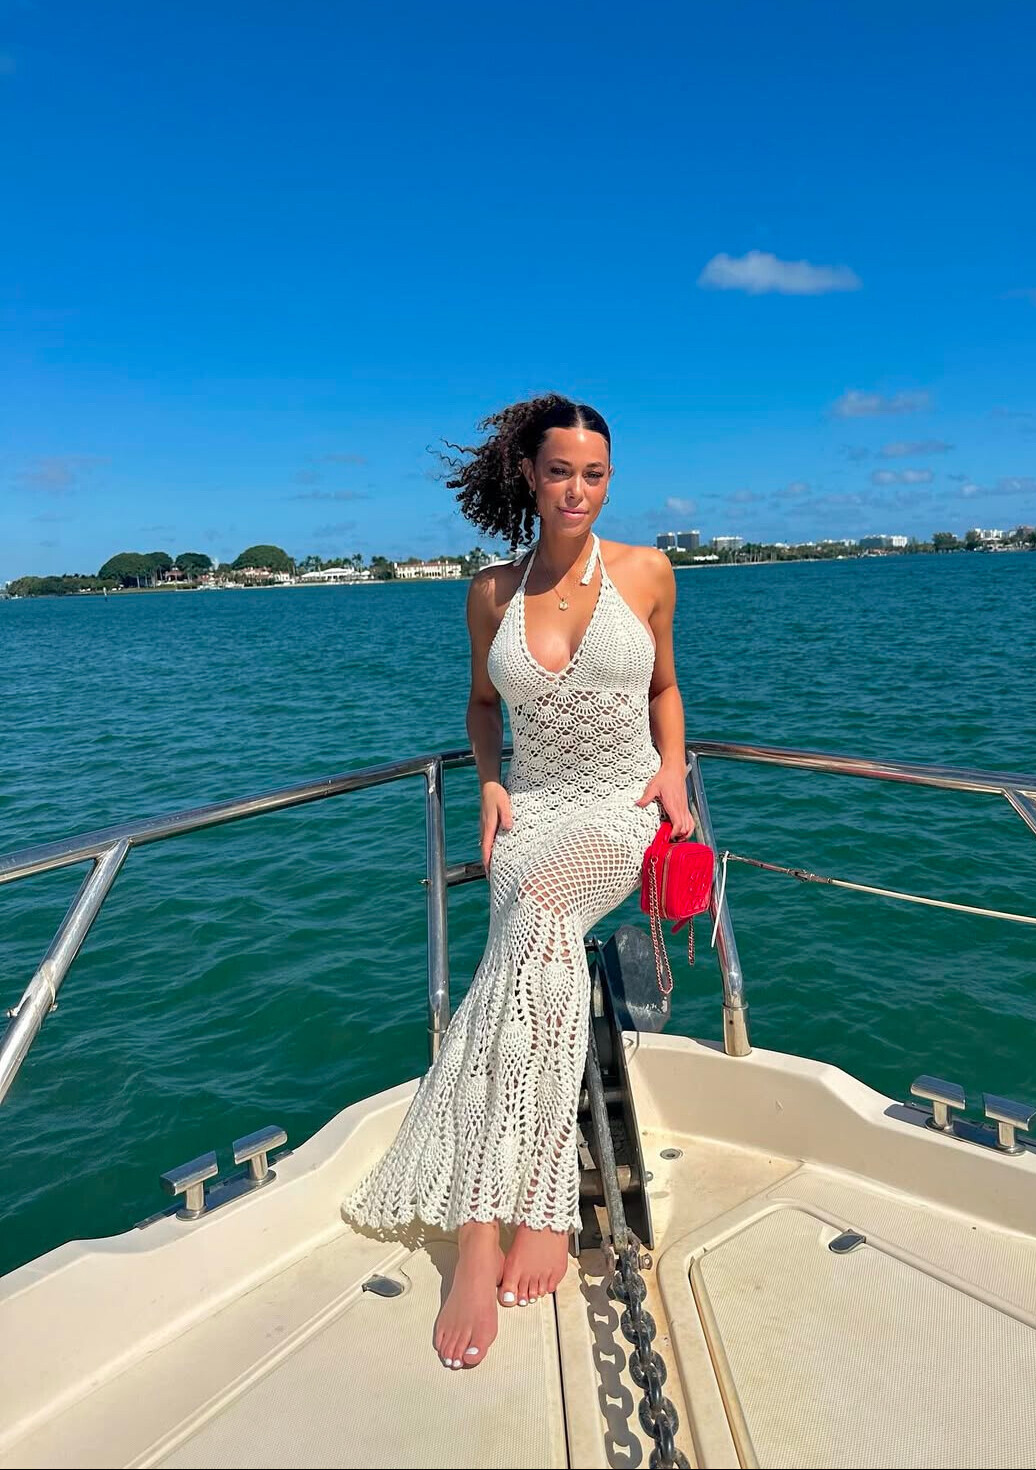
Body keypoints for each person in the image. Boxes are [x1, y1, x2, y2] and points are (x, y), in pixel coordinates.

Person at [343, 393, 693, 1370]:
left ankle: (514, 1217)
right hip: (532, 812)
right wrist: (490, 784)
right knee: (522, 963)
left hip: (618, 810)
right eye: (560, 472)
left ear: (608, 482)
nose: (577, 490)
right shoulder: (490, 592)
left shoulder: (647, 571)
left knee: (536, 925)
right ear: (529, 478)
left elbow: (664, 687)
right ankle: (493, 1224)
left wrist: (673, 769)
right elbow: (480, 704)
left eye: (594, 474)